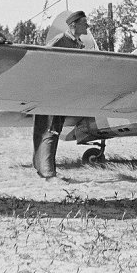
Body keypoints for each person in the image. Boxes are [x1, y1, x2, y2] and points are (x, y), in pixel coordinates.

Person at [32, 10, 89, 178]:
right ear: (73, 25)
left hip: (62, 93)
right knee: (48, 131)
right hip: (50, 93)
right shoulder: (60, 41)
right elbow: (41, 60)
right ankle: (48, 173)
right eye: (84, 22)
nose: (87, 25)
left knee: (54, 131)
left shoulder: (78, 44)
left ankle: (44, 169)